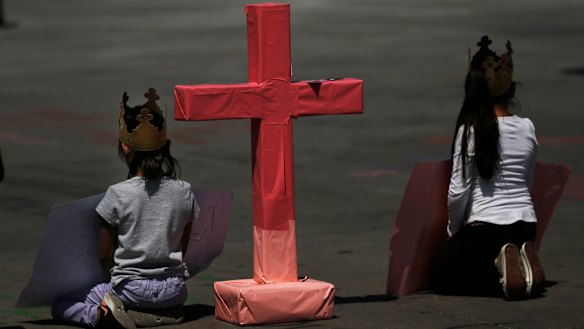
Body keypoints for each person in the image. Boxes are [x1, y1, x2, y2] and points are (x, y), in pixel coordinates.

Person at [52, 88, 200, 328]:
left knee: (61, 306)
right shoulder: (184, 191)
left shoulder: (117, 194)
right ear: (164, 148)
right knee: (152, 294)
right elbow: (184, 246)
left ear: (125, 148)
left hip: (132, 289)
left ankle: (102, 315)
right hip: (176, 289)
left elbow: (103, 257)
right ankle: (160, 314)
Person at [431, 36, 545, 300]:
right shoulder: (527, 127)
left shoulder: (470, 130)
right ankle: (518, 267)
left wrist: (454, 232)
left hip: (487, 227)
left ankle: (500, 276)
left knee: (443, 278)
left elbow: (458, 192)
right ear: (511, 89)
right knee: (476, 258)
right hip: (526, 224)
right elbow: (528, 183)